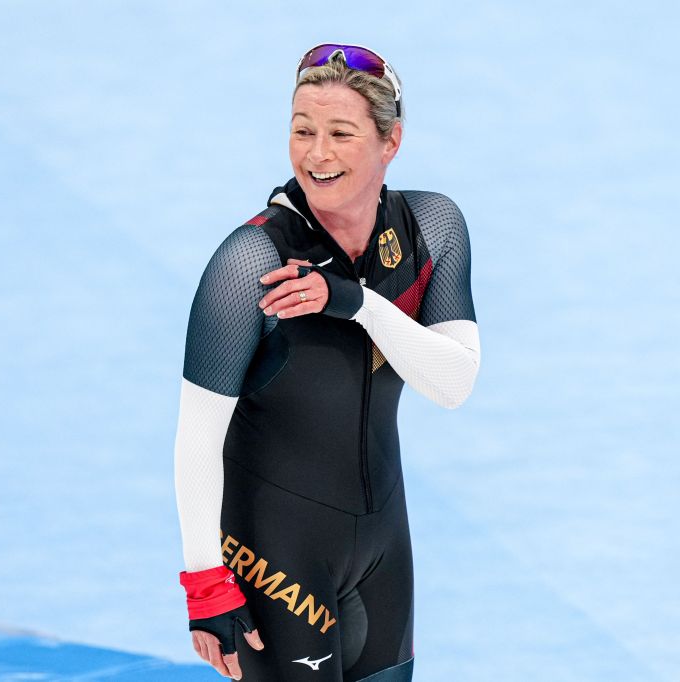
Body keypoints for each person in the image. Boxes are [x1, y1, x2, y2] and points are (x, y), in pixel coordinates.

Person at [173, 44, 481, 681]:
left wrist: (358, 303)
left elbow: (453, 382)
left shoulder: (431, 228)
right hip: (275, 553)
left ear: (390, 141)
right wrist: (206, 584)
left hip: (383, 547)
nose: (317, 154)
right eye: (302, 130)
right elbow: (197, 436)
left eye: (341, 133)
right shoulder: (249, 263)